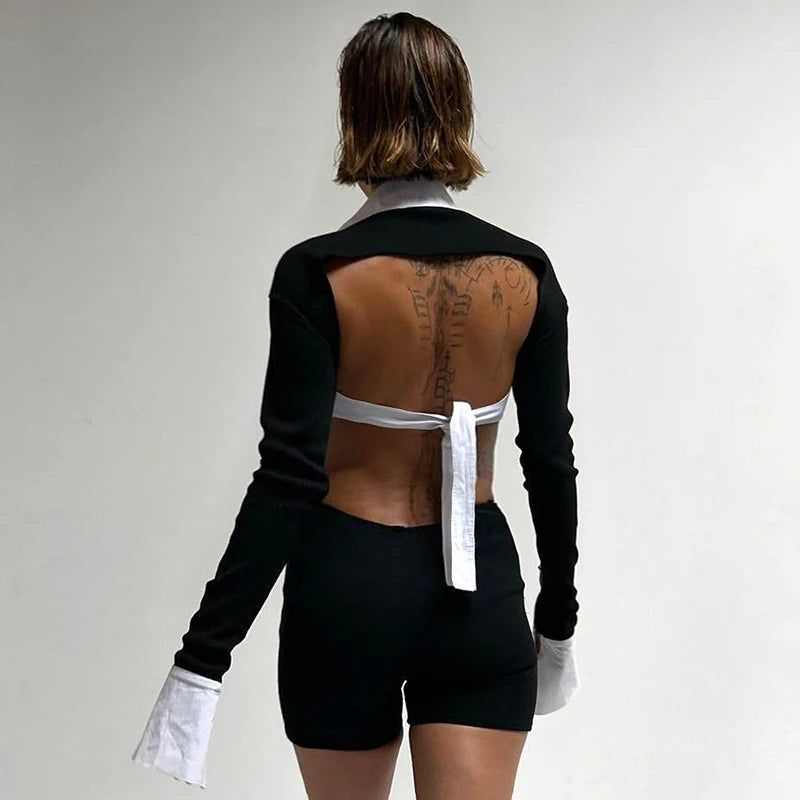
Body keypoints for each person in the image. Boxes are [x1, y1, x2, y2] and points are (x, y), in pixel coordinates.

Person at [132, 11, 580, 799]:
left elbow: (287, 477)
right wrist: (558, 618)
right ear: (459, 107)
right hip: (479, 594)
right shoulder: (525, 272)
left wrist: (204, 656)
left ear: (354, 114)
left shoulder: (319, 273)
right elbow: (548, 460)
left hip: (346, 589)